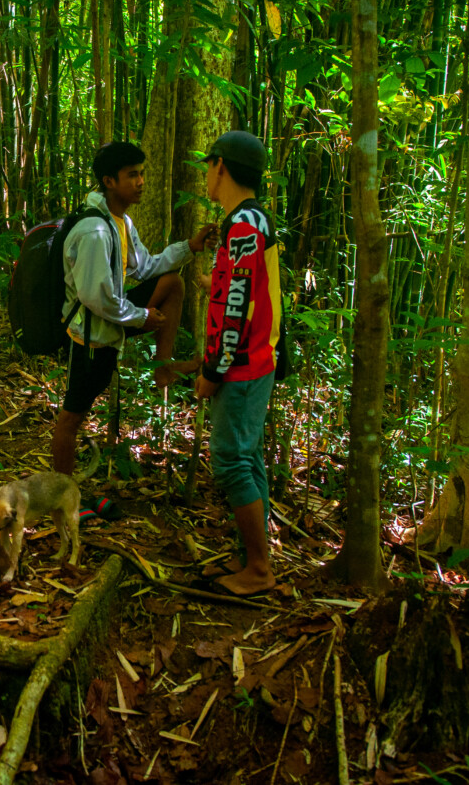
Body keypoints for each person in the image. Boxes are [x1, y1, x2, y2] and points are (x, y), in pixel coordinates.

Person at [50, 141, 216, 475]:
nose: (141, 182)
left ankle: (163, 369)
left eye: (142, 174)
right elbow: (95, 296)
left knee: (173, 283)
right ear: (109, 181)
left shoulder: (119, 222)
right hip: (89, 339)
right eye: (132, 175)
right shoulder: (95, 230)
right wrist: (141, 317)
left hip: (108, 324)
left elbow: (145, 267)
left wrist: (190, 247)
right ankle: (61, 495)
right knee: (71, 419)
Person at [196, 130, 280, 597]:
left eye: (209, 164)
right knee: (247, 457)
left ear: (221, 166)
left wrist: (212, 370)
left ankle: (260, 568)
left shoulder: (244, 223)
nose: (207, 174)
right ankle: (251, 556)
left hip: (243, 364)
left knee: (231, 461)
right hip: (254, 359)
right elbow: (242, 288)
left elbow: (237, 306)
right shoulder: (248, 220)